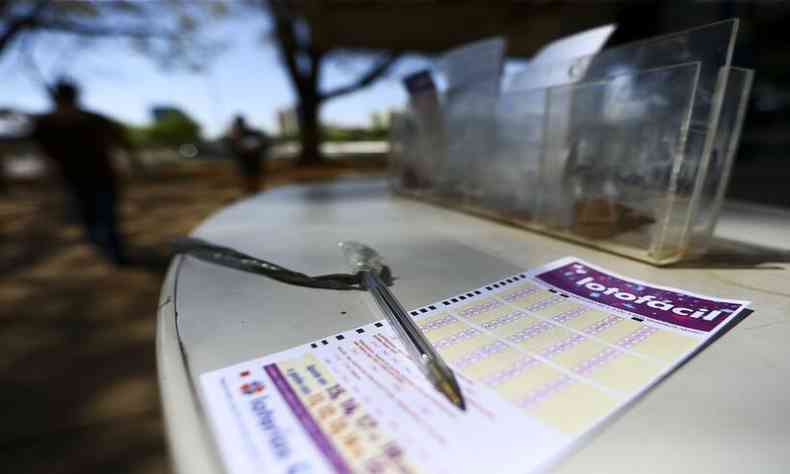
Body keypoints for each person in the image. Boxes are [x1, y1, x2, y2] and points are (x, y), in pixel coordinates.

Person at [31, 79, 137, 265]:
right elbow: (42, 153)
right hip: (73, 180)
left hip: (103, 176)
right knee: (88, 216)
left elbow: (120, 140)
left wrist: (129, 163)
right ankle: (101, 244)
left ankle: (115, 253)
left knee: (107, 216)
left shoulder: (93, 120)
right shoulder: (44, 124)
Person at [226, 115, 269, 195]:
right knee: (248, 180)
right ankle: (250, 192)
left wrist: (255, 148)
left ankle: (255, 192)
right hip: (245, 163)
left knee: (255, 180)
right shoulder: (235, 136)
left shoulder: (253, 133)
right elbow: (232, 150)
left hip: (254, 162)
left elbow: (264, 144)